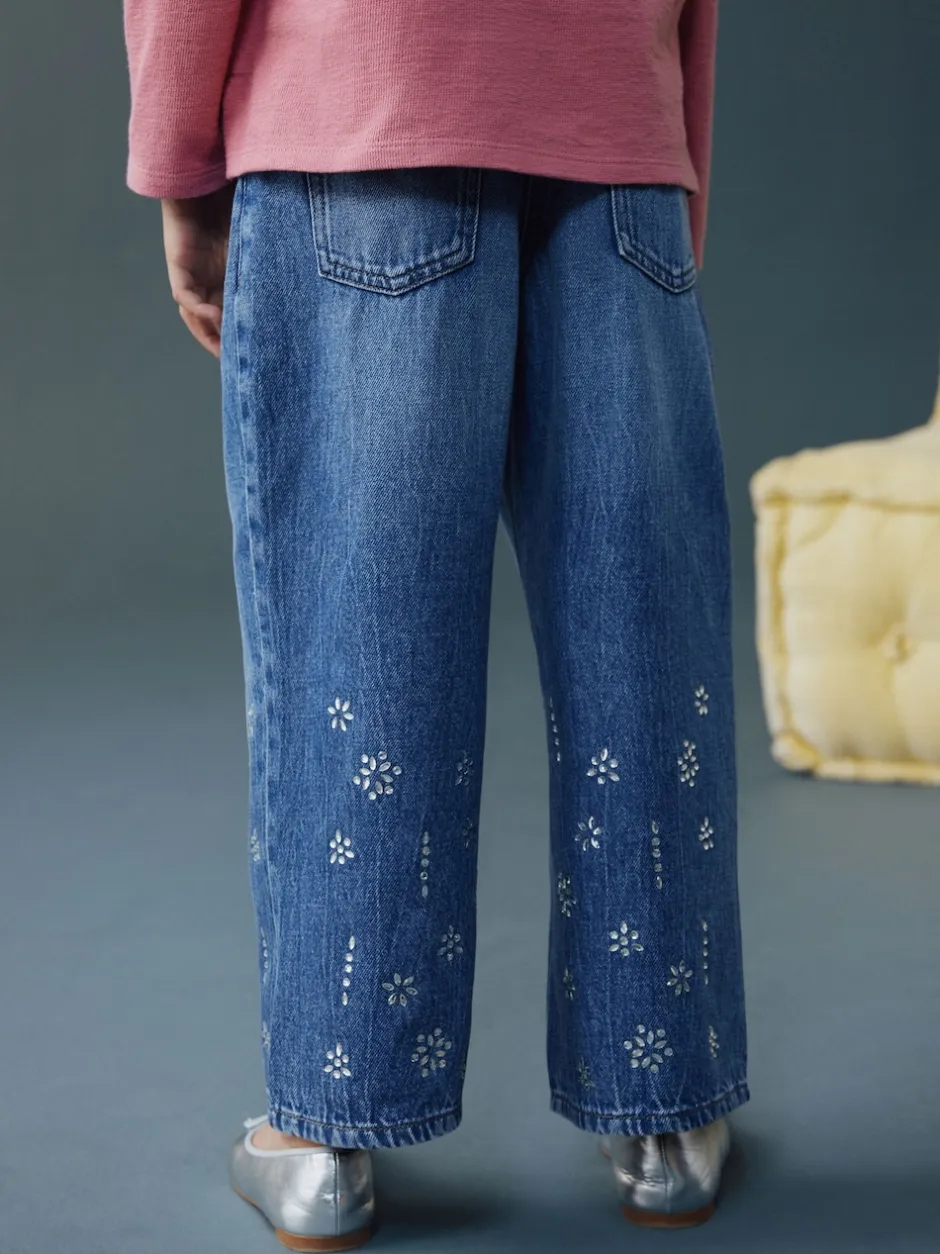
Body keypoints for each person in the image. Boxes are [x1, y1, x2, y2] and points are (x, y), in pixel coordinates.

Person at [122, 1, 749, 1247]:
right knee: (640, 638)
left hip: (362, 115)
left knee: (365, 636)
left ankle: (326, 1141)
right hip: (616, 136)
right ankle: (666, 1118)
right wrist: (671, 147)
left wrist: (177, 161)